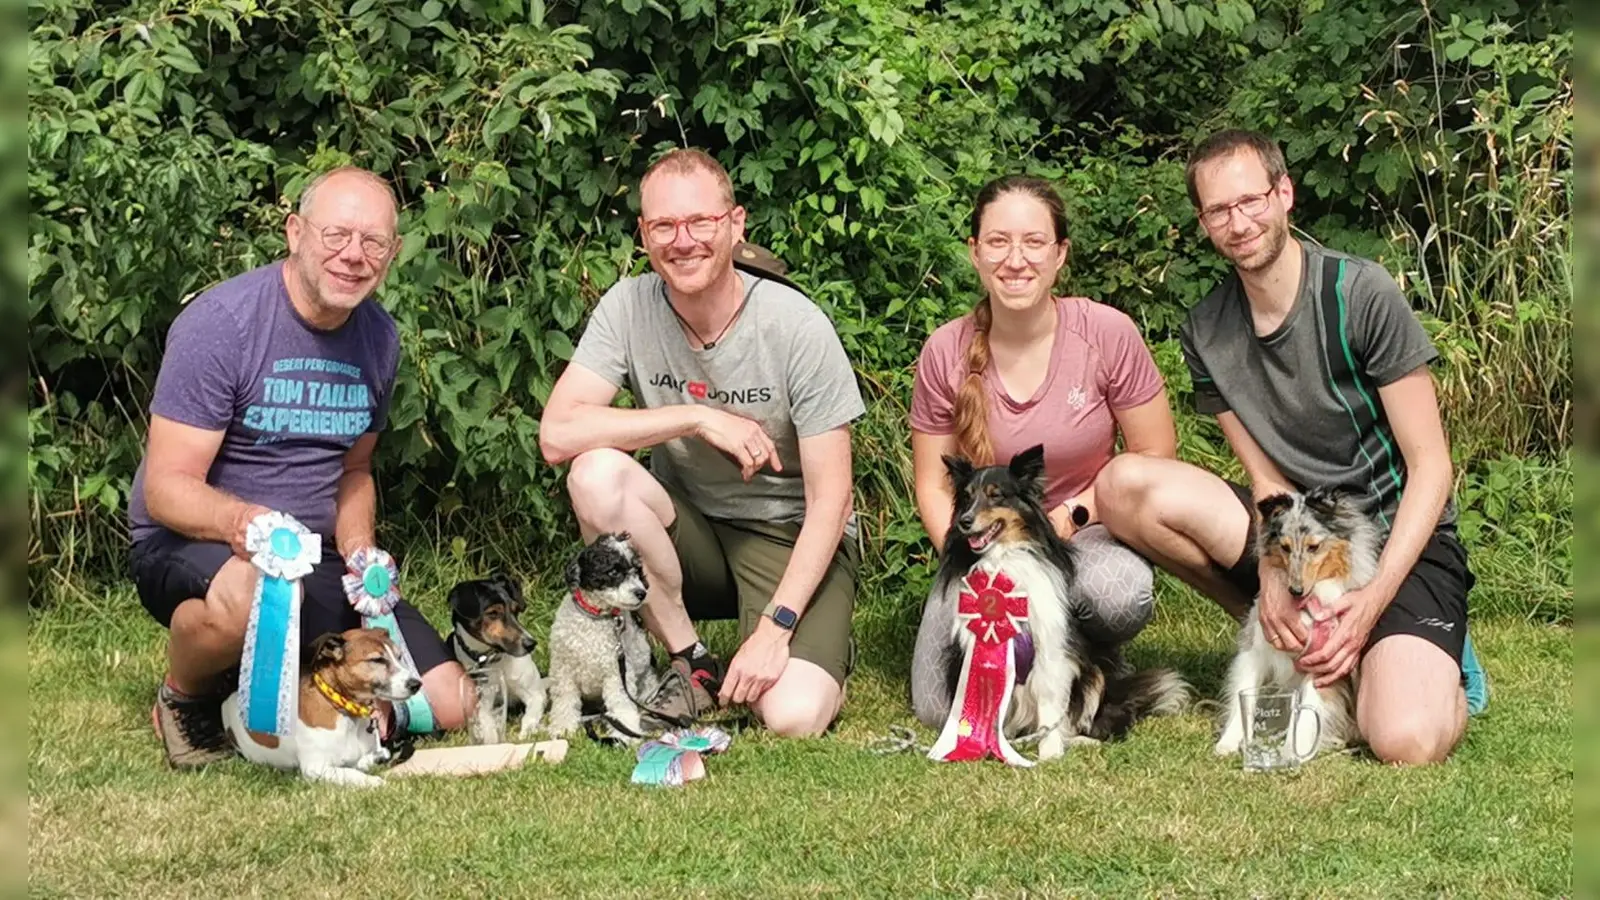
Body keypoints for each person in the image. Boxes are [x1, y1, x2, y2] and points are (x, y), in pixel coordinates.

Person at [1093, 128, 1489, 765]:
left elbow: (1432, 467)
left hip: (1391, 541)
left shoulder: (1361, 294)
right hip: (1293, 540)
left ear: (1284, 195)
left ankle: (1439, 665)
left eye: (1251, 200)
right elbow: (1265, 479)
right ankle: (1285, 629)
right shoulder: (1205, 330)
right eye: (1219, 210)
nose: (1239, 221)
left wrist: (1371, 603)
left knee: (1404, 740)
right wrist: (1275, 578)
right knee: (1123, 486)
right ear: (1203, 222)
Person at [128, 167, 468, 768]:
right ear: (295, 233)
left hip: (316, 555)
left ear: (391, 255)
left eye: (373, 243)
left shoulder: (379, 338)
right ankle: (184, 696)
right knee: (254, 595)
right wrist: (251, 526)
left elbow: (356, 469)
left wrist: (361, 556)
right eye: (336, 235)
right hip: (193, 543)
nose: (353, 256)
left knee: (450, 704)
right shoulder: (223, 324)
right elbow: (166, 489)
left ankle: (283, 689)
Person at [538, 149, 864, 738]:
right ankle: (693, 663)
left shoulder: (796, 326)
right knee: (594, 474)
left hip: (790, 534)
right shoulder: (628, 306)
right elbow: (558, 434)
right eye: (663, 225)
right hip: (691, 534)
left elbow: (834, 500)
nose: (682, 241)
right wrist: (694, 417)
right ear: (644, 234)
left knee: (792, 716)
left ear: (735, 225)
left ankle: (813, 634)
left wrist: (775, 630)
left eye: (700, 223)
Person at [907, 175, 1180, 729]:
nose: (1016, 260)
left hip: (1086, 531)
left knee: (1119, 594)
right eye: (998, 242)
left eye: (1034, 242)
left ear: (1060, 255)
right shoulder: (944, 350)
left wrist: (1071, 514)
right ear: (975, 254)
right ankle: (1029, 673)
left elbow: (1156, 453)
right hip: (983, 545)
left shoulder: (1106, 332)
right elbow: (934, 486)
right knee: (940, 709)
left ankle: (1086, 663)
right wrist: (975, 564)